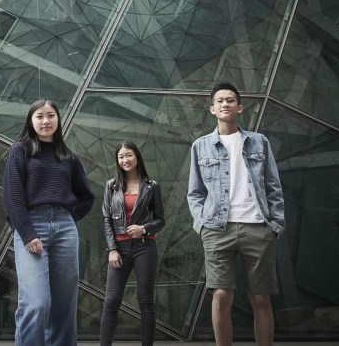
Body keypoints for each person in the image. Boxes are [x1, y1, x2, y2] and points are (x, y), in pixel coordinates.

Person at [187, 82, 285, 346]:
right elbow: (195, 193)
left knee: (261, 297)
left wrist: (275, 224)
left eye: (230, 100)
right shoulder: (200, 146)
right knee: (221, 295)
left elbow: (273, 186)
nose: (225, 104)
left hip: (258, 227)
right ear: (212, 109)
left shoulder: (258, 142)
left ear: (239, 107)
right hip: (217, 229)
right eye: (219, 101)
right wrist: (202, 225)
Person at [3, 99, 95, 346]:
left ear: (58, 120)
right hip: (32, 227)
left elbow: (86, 196)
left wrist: (67, 218)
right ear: (31, 121)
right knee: (36, 302)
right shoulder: (19, 151)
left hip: (65, 228)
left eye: (51, 115)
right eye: (40, 116)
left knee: (65, 303)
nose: (46, 121)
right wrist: (27, 231)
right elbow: (12, 196)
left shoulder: (68, 157)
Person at [100, 141, 165, 346]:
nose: (125, 160)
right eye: (121, 157)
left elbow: (160, 220)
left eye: (128, 155)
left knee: (145, 301)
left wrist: (144, 228)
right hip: (119, 249)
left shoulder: (151, 186)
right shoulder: (111, 186)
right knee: (111, 302)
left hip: (145, 247)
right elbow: (106, 219)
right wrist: (112, 249)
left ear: (136, 157)